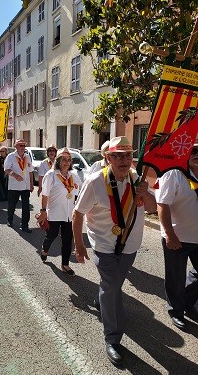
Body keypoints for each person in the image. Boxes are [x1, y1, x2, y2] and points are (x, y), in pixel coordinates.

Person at [72, 136, 156, 365]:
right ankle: (112, 338)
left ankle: (103, 300)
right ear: (107, 158)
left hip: (130, 245)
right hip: (103, 244)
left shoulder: (136, 178)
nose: (123, 160)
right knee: (112, 287)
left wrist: (145, 193)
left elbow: (151, 209)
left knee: (112, 285)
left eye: (127, 155)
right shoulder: (95, 181)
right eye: (117, 155)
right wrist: (79, 245)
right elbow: (78, 213)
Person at [155, 142, 198, 330]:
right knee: (175, 277)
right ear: (186, 153)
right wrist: (170, 235)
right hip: (177, 237)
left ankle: (187, 302)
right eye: (193, 150)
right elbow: (162, 205)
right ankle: (176, 310)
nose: (197, 154)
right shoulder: (174, 173)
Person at [37, 148, 81, 275]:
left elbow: (79, 192)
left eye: (69, 160)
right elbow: (45, 195)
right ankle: (45, 249)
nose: (67, 162)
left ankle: (65, 264)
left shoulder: (74, 175)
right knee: (52, 235)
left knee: (68, 239)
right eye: (64, 160)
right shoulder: (50, 175)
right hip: (55, 213)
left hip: (69, 214)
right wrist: (43, 211)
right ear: (58, 161)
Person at [4, 138, 34, 232]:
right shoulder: (11, 156)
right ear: (16, 146)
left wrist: (31, 184)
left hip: (25, 186)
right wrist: (15, 175)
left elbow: (30, 172)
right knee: (12, 204)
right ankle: (10, 219)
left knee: (26, 206)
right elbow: (6, 169)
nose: (23, 147)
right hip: (14, 186)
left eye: (24, 145)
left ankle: (25, 225)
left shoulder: (27, 157)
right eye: (20, 145)